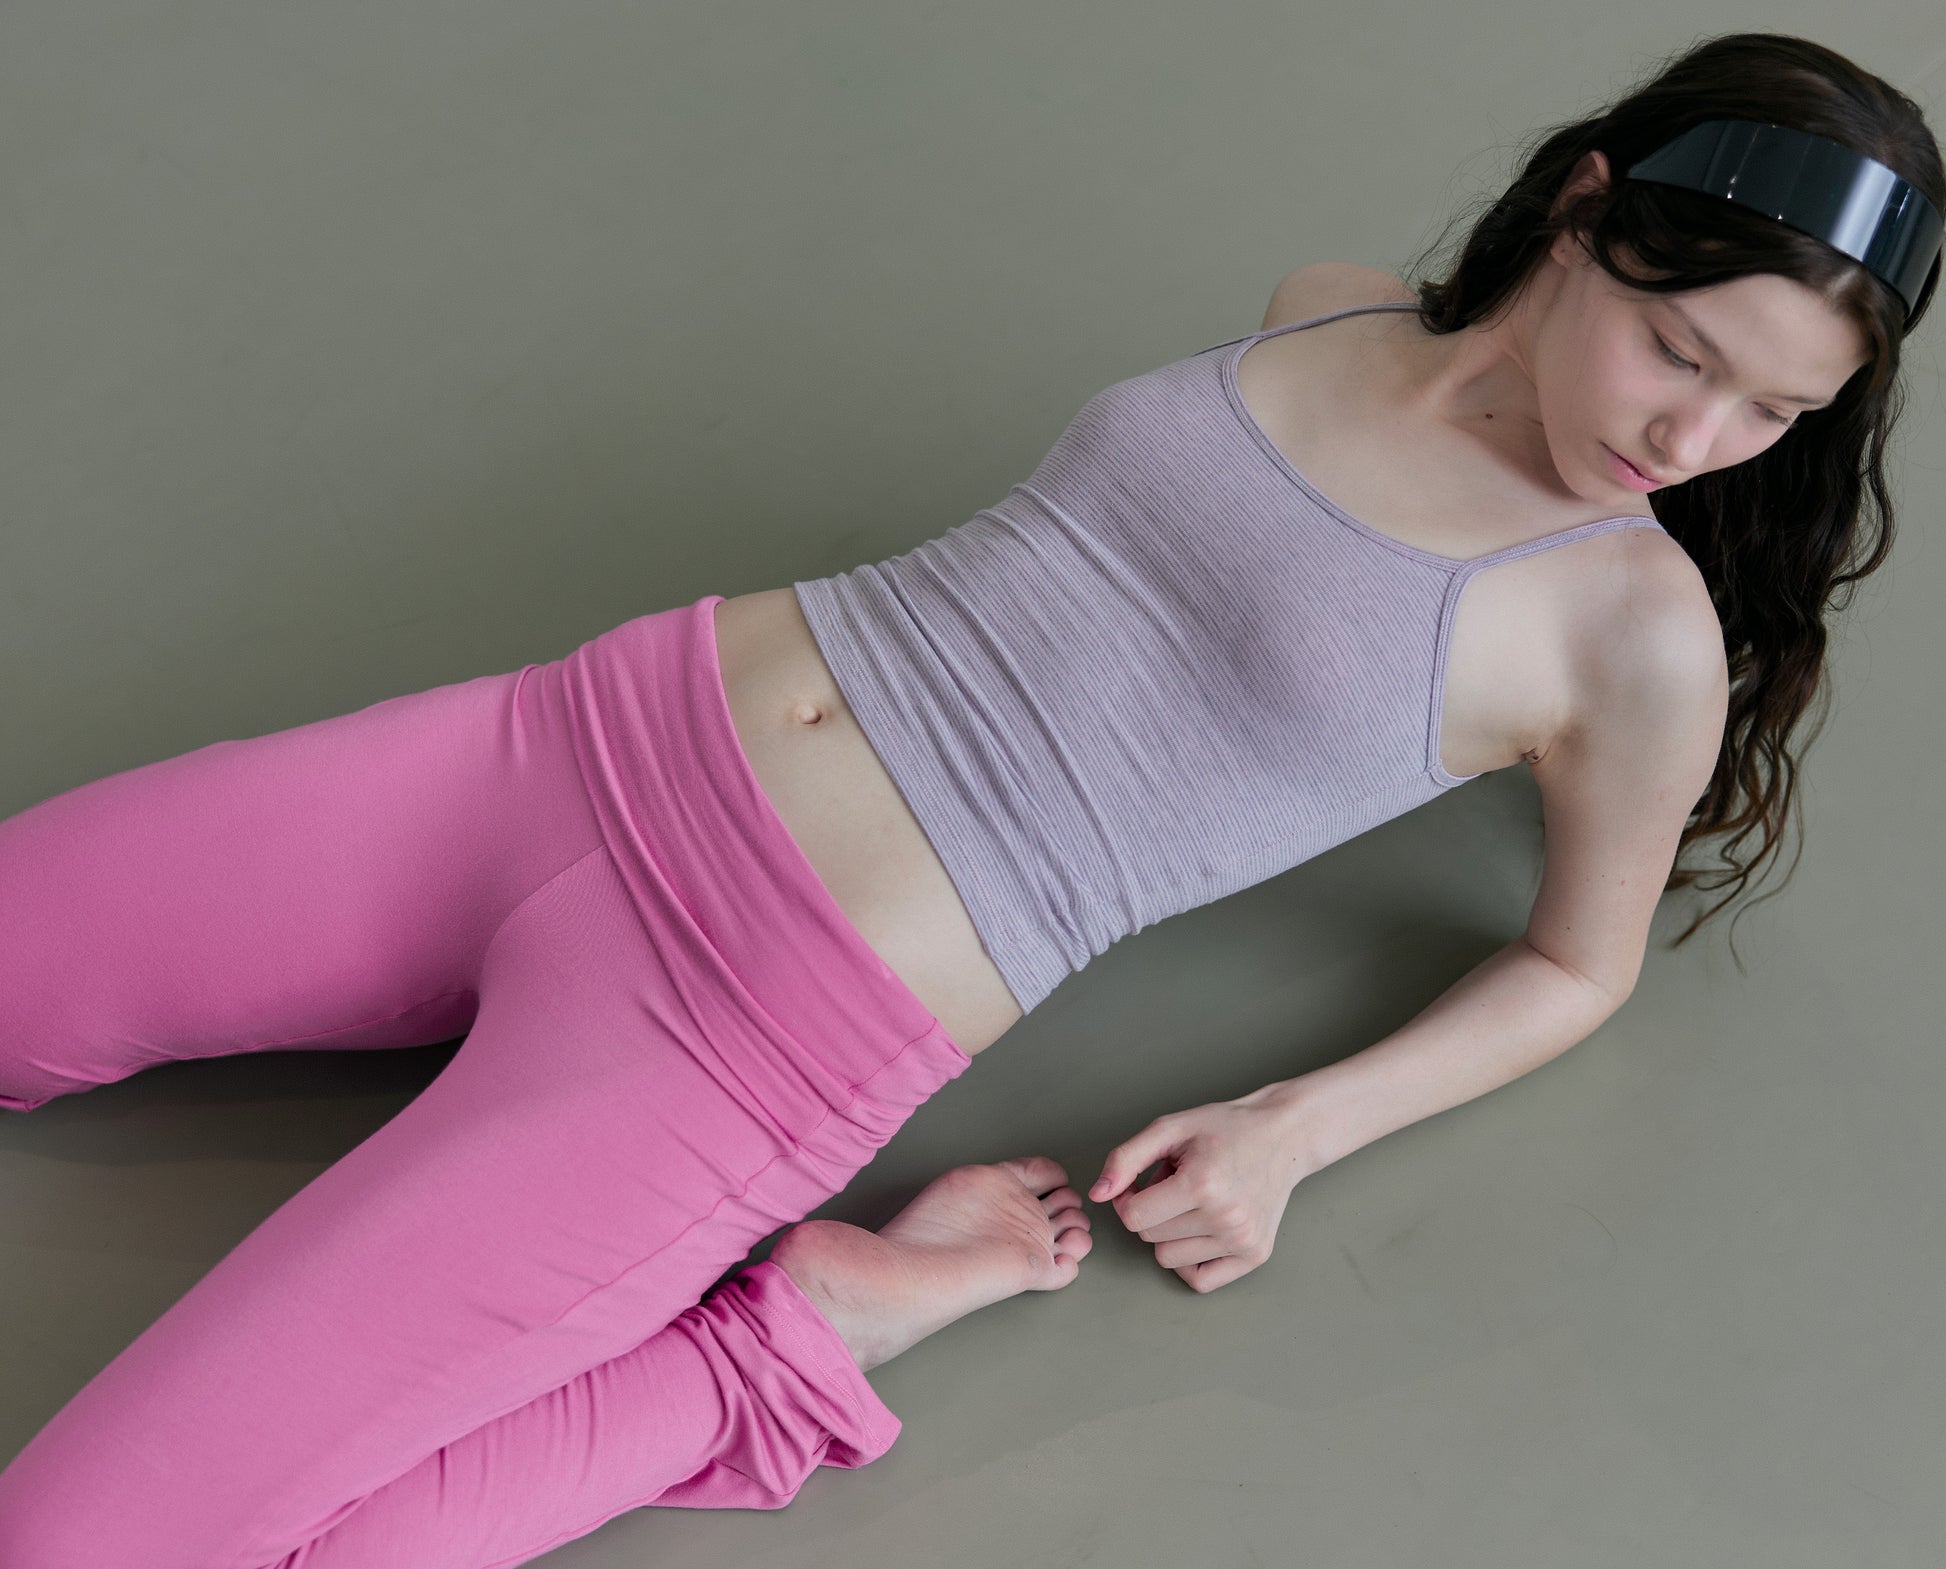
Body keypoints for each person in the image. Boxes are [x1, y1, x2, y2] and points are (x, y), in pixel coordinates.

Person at [0, 27, 1938, 1569]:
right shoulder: (1328, 306)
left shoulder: (1628, 633)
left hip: (742, 1033)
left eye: (1771, 411)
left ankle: (788, 1349)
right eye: (1679, 349)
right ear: (1585, 213)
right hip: (569, 743)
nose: (1692, 437)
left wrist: (1291, 1127)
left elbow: (1578, 964)